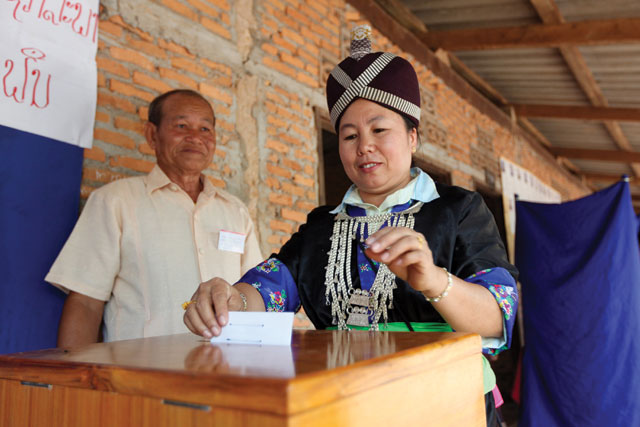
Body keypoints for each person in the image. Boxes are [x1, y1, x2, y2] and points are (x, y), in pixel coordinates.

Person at [183, 27, 517, 425]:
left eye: (380, 130)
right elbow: (270, 288)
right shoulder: (321, 227)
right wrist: (228, 300)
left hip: (445, 406)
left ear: (412, 137)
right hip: (348, 407)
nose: (364, 147)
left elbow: (498, 316)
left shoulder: (457, 209)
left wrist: (432, 280)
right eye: (349, 135)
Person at [46, 89, 263, 346]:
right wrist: (76, 381)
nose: (195, 138)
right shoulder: (115, 201)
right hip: (140, 377)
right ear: (152, 135)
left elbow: (256, 295)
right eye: (182, 126)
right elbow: (85, 303)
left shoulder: (235, 211)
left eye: (205, 129)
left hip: (228, 373)